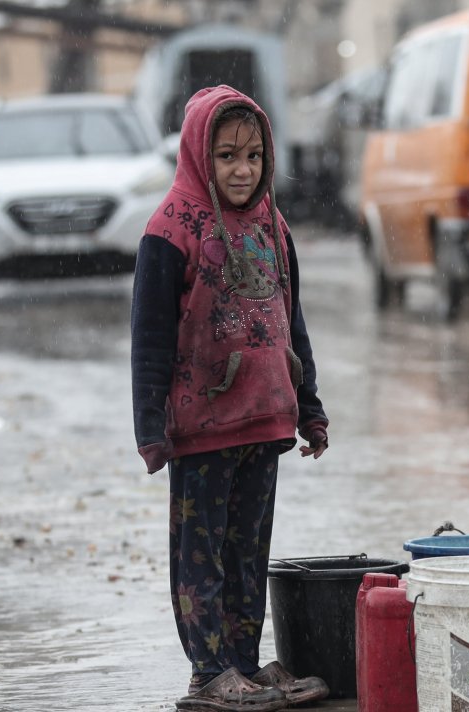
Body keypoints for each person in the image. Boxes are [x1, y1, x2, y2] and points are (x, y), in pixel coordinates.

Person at [130, 86, 330, 712]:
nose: (241, 171)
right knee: (203, 555)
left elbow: (291, 321)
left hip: (266, 419)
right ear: (198, 154)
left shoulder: (274, 225)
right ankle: (208, 670)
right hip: (202, 426)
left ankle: (243, 664)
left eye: (252, 156)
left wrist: (310, 406)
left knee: (249, 552)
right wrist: (149, 427)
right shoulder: (169, 230)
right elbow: (150, 337)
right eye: (225, 157)